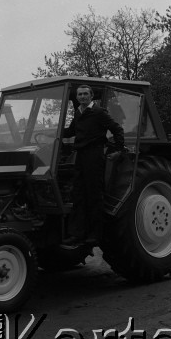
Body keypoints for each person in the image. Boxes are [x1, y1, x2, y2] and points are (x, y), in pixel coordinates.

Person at [61, 84, 125, 249]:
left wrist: (118, 149)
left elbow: (117, 129)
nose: (82, 97)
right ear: (77, 97)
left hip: (94, 155)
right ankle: (77, 234)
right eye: (80, 95)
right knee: (78, 194)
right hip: (81, 155)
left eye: (85, 94)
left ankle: (95, 235)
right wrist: (55, 132)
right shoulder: (79, 112)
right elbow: (71, 131)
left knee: (94, 195)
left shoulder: (98, 112)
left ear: (91, 96)